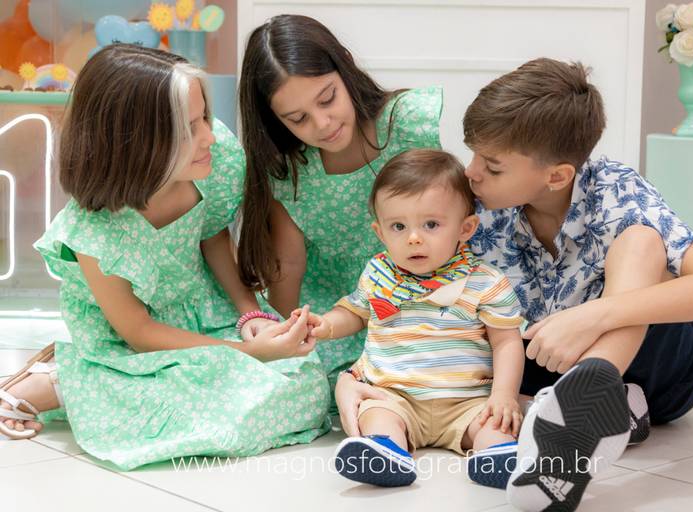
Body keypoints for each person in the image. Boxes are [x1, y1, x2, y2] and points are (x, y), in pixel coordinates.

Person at [0, 44, 330, 470]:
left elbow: (213, 236)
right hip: (132, 342)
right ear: (135, 143)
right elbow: (138, 332)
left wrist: (249, 314)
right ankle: (61, 382)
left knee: (305, 385)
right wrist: (247, 353)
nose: (210, 136)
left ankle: (88, 386)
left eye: (205, 118)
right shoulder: (95, 231)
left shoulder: (211, 160)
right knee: (198, 413)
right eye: (190, 128)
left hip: (204, 311)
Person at [460, 58, 693, 510]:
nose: (472, 172)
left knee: (640, 242)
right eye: (473, 154)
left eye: (492, 166)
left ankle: (587, 407)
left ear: (557, 176)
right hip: (545, 362)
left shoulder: (615, 189)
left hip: (662, 369)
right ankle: (603, 415)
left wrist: (594, 315)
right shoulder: (477, 207)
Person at [237, 14, 443, 388]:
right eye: (297, 118)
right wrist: (285, 340)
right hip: (333, 317)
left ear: (345, 65)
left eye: (327, 98)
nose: (322, 124)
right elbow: (289, 265)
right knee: (312, 385)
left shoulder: (407, 123)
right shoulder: (289, 169)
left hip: (423, 303)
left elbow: (454, 214)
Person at [307, 149, 526, 488]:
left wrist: (504, 395)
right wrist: (326, 325)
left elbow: (507, 342)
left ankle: (497, 456)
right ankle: (385, 451)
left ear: (465, 228)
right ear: (380, 233)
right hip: (397, 397)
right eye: (398, 226)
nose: (413, 237)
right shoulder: (379, 274)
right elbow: (355, 312)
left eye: (431, 225)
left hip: (467, 400)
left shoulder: (484, 282)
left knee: (493, 424)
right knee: (376, 414)